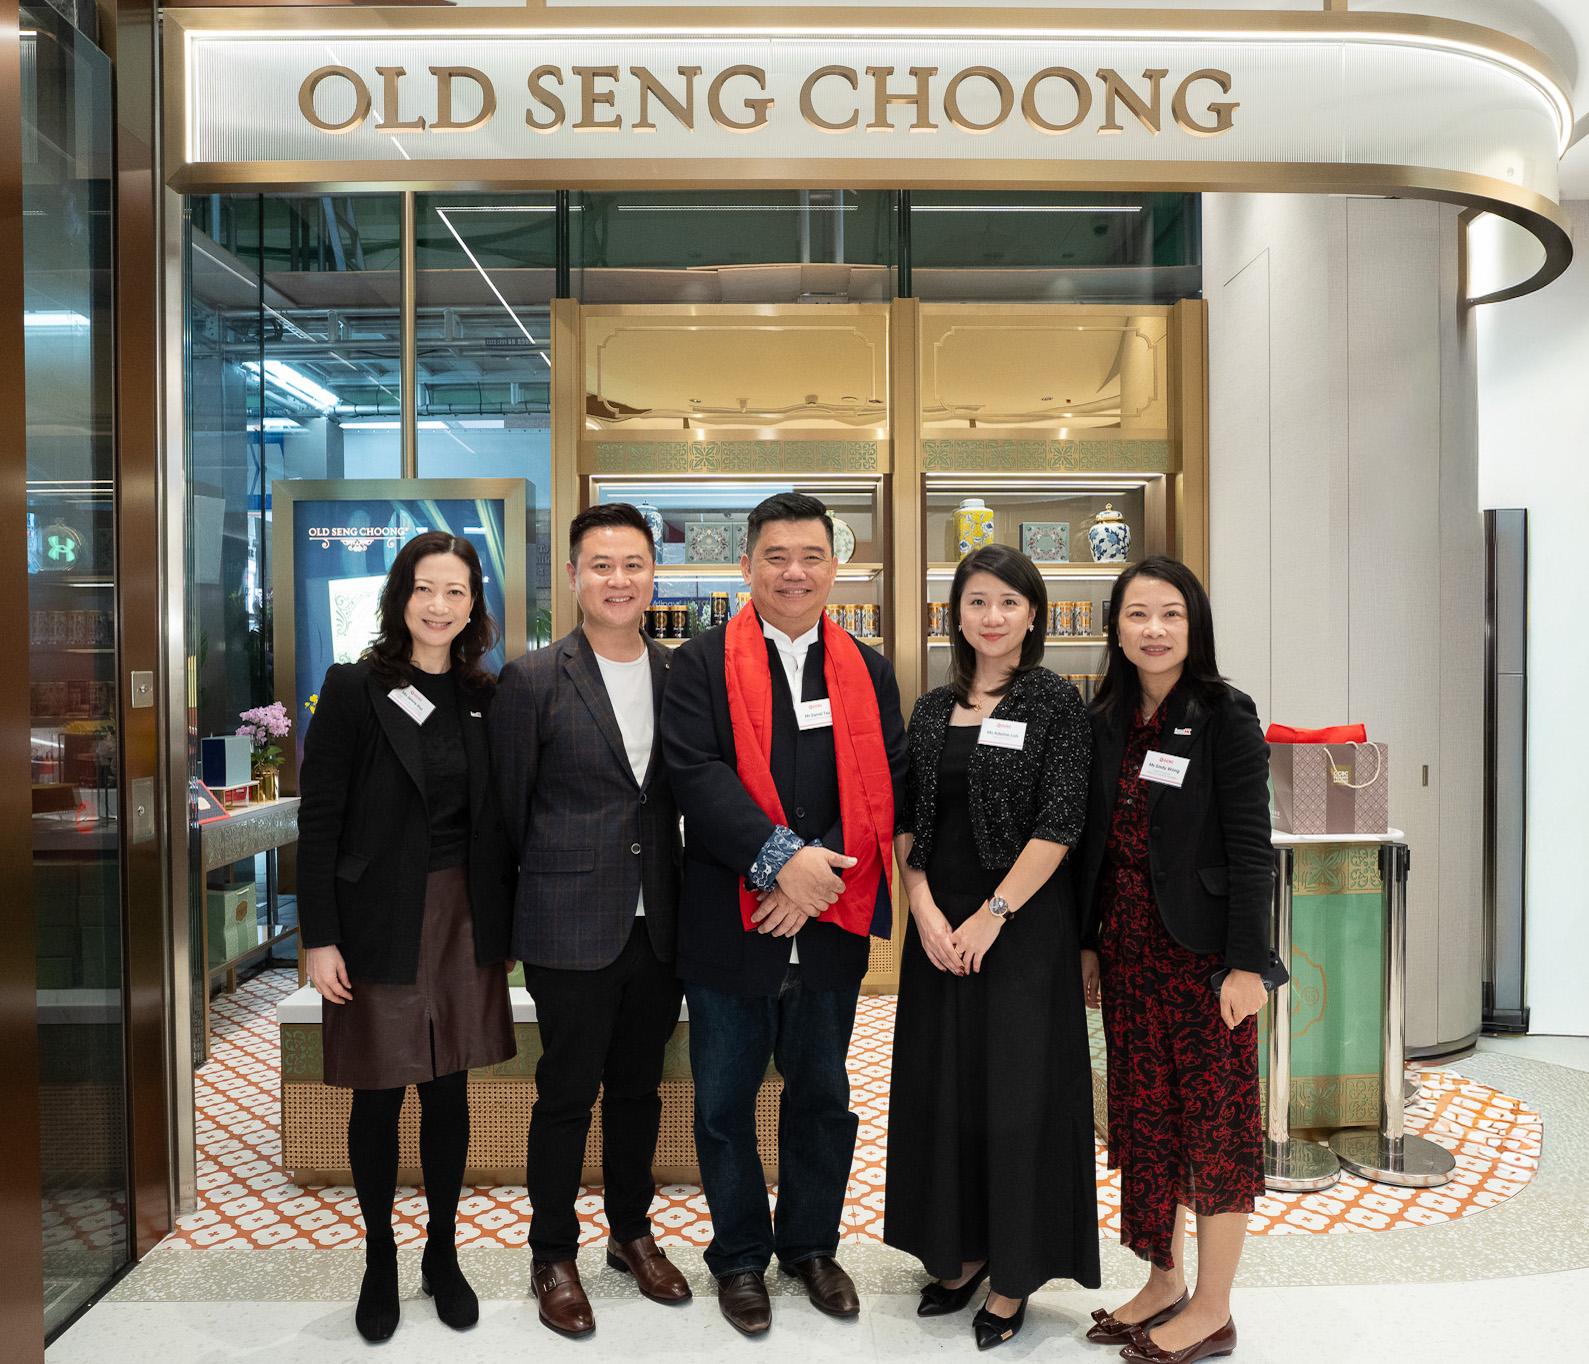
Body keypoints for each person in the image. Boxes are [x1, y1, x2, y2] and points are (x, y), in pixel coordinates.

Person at [660, 491, 908, 1337]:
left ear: (834, 567)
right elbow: (696, 775)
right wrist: (780, 864)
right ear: (747, 565)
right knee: (723, 1102)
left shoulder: (868, 668)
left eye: (810, 556)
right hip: (732, 924)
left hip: (829, 922)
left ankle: (809, 1246)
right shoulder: (697, 662)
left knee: (822, 1097)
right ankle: (736, 1258)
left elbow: (884, 785)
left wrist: (815, 880)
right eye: (776, 556)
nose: (793, 571)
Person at [297, 531, 517, 1344]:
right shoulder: (354, 689)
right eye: (425, 588)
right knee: (379, 1091)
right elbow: (318, 820)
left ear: (473, 606)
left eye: (456, 592)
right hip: (376, 917)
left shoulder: (483, 696)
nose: (439, 605)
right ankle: (380, 1257)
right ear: (399, 596)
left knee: (450, 1089)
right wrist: (318, 937)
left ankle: (442, 1253)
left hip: (463, 914)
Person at [885, 544, 1098, 1350]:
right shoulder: (932, 708)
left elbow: (1060, 823)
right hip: (938, 929)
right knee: (943, 1089)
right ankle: (959, 1252)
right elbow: (908, 818)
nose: (993, 616)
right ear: (957, 614)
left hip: (1022, 930)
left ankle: (1012, 1277)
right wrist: (923, 908)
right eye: (977, 601)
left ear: (1033, 615)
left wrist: (992, 914)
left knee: (1015, 1098)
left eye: (1009, 602)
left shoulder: (1053, 704)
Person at [492, 503, 690, 1338]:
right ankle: (551, 1251)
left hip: (663, 922)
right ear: (572, 576)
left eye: (633, 565)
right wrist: (501, 937)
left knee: (640, 1088)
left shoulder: (684, 675)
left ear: (654, 576)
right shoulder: (534, 679)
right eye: (601, 565)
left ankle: (631, 1234)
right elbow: (504, 813)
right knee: (566, 1092)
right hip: (568, 919)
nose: (619, 580)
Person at [1073, 556, 1274, 1364]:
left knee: (1216, 1128)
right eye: (1136, 616)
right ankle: (1163, 1281)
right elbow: (1093, 846)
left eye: (1169, 616)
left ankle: (1215, 1309)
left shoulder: (1224, 713)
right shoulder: (1106, 718)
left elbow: (1251, 849)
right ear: (1114, 629)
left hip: (1204, 962)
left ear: (1193, 627)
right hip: (1126, 955)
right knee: (1146, 1123)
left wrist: (1247, 964)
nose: (1152, 631)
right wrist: (1089, 942)